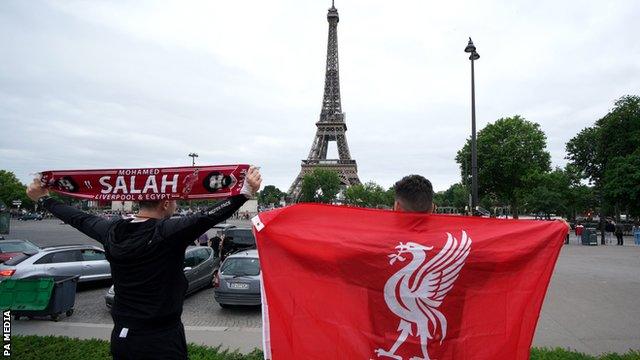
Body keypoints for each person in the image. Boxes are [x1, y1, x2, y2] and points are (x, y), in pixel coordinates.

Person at [26, 166, 262, 360]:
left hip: (122, 337)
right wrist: (244, 192)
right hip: (161, 338)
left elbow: (77, 217)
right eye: (174, 201)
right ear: (165, 203)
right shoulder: (166, 232)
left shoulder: (111, 230)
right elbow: (207, 216)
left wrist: (44, 199)